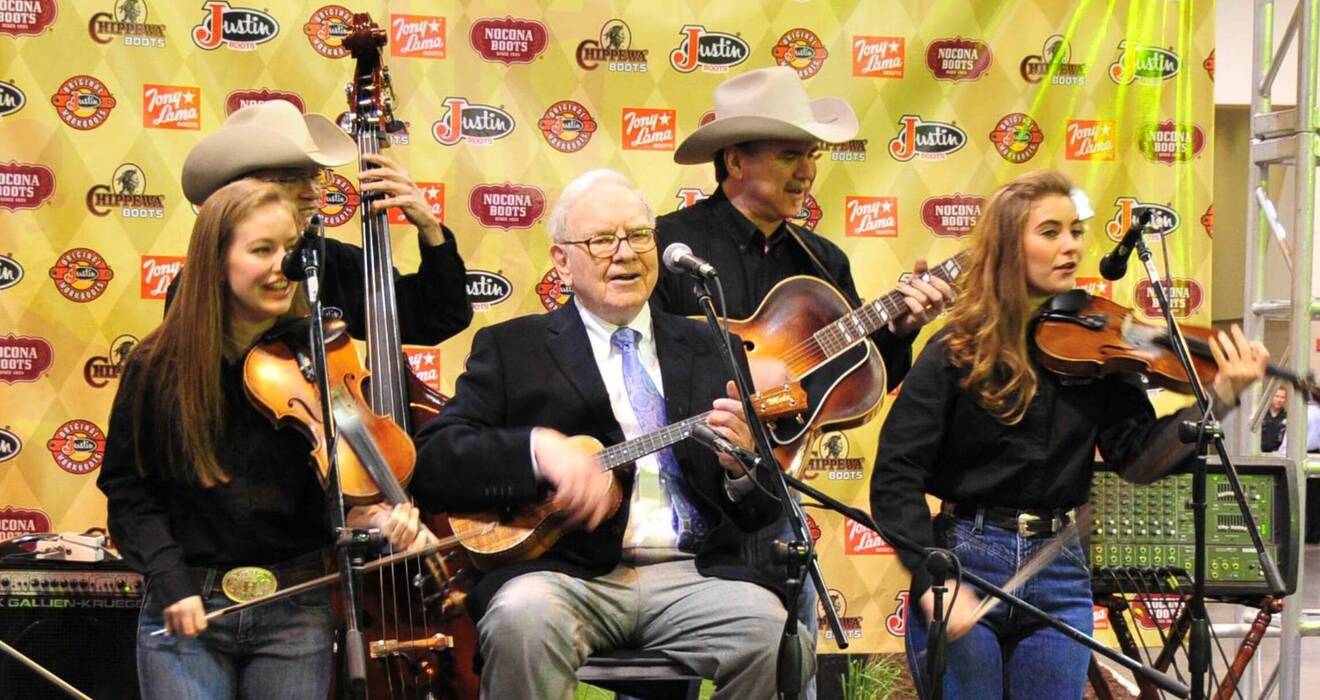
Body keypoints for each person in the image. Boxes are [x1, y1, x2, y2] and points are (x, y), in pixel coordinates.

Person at [410, 169, 815, 699]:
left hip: (692, 573)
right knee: (520, 618)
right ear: (561, 261)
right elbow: (435, 460)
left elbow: (761, 512)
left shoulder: (712, 345)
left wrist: (742, 469)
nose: (625, 254)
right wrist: (538, 451)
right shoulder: (513, 348)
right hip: (565, 577)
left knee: (777, 639)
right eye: (602, 240)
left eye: (639, 235)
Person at [868, 169, 1269, 699]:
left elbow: (1136, 459)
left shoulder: (1100, 344)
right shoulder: (955, 350)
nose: (1072, 245)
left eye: (1076, 231)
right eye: (1050, 232)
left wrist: (1217, 398)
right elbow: (895, 473)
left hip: (1060, 569)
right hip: (968, 558)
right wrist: (931, 577)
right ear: (1008, 246)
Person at [655, 67, 955, 686]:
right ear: (735, 160)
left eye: (813, 154)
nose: (809, 171)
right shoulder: (669, 246)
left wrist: (899, 329)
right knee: (661, 681)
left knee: (788, 665)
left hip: (770, 494)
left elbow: (858, 379)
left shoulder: (823, 260)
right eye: (791, 154)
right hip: (674, 490)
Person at [98, 181, 424, 699]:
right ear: (216, 262)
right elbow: (129, 491)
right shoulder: (156, 366)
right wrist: (171, 582)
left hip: (296, 607)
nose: (283, 268)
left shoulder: (320, 356)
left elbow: (327, 495)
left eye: (290, 249)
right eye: (262, 250)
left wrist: (376, 517)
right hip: (191, 601)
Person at [171, 99, 472, 346]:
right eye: (291, 179)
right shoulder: (200, 279)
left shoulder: (333, 261)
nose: (313, 192)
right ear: (245, 188)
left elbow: (439, 317)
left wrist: (430, 228)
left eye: (315, 176)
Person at [1261, 386, 1288, 453]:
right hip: (1260, 453)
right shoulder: (1261, 415)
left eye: (1282, 397)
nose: (1279, 400)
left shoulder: (1288, 417)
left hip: (1279, 454)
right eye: (1277, 396)